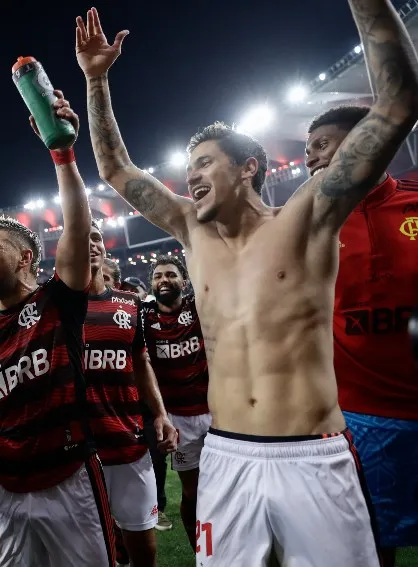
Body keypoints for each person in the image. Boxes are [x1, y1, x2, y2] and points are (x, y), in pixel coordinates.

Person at [78, 2, 418, 562]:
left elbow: (399, 103)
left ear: (247, 169)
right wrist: (97, 81)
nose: (190, 176)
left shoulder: (307, 218)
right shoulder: (193, 232)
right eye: (189, 168)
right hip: (226, 457)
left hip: (314, 457)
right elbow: (117, 170)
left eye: (205, 163)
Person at [0, 92, 113, 567]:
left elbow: (78, 223)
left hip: (70, 479)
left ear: (25, 257)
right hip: (7, 486)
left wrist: (62, 153)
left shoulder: (57, 300)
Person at [307, 105, 418, 567]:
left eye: (321, 145)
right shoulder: (309, 222)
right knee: (370, 547)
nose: (311, 159)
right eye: (308, 149)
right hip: (360, 418)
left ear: (366, 141)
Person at [85, 222, 178, 566]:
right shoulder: (51, 304)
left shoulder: (128, 304)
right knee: (92, 552)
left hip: (128, 443)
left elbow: (140, 362)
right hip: (78, 453)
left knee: (144, 551)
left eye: (95, 237)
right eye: (82, 237)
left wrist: (161, 414)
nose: (91, 244)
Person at [139, 254, 209, 551]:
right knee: (191, 491)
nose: (163, 280)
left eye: (170, 274)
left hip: (219, 411)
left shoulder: (200, 306)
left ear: (185, 281)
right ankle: (200, 552)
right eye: (157, 276)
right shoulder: (143, 316)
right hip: (177, 418)